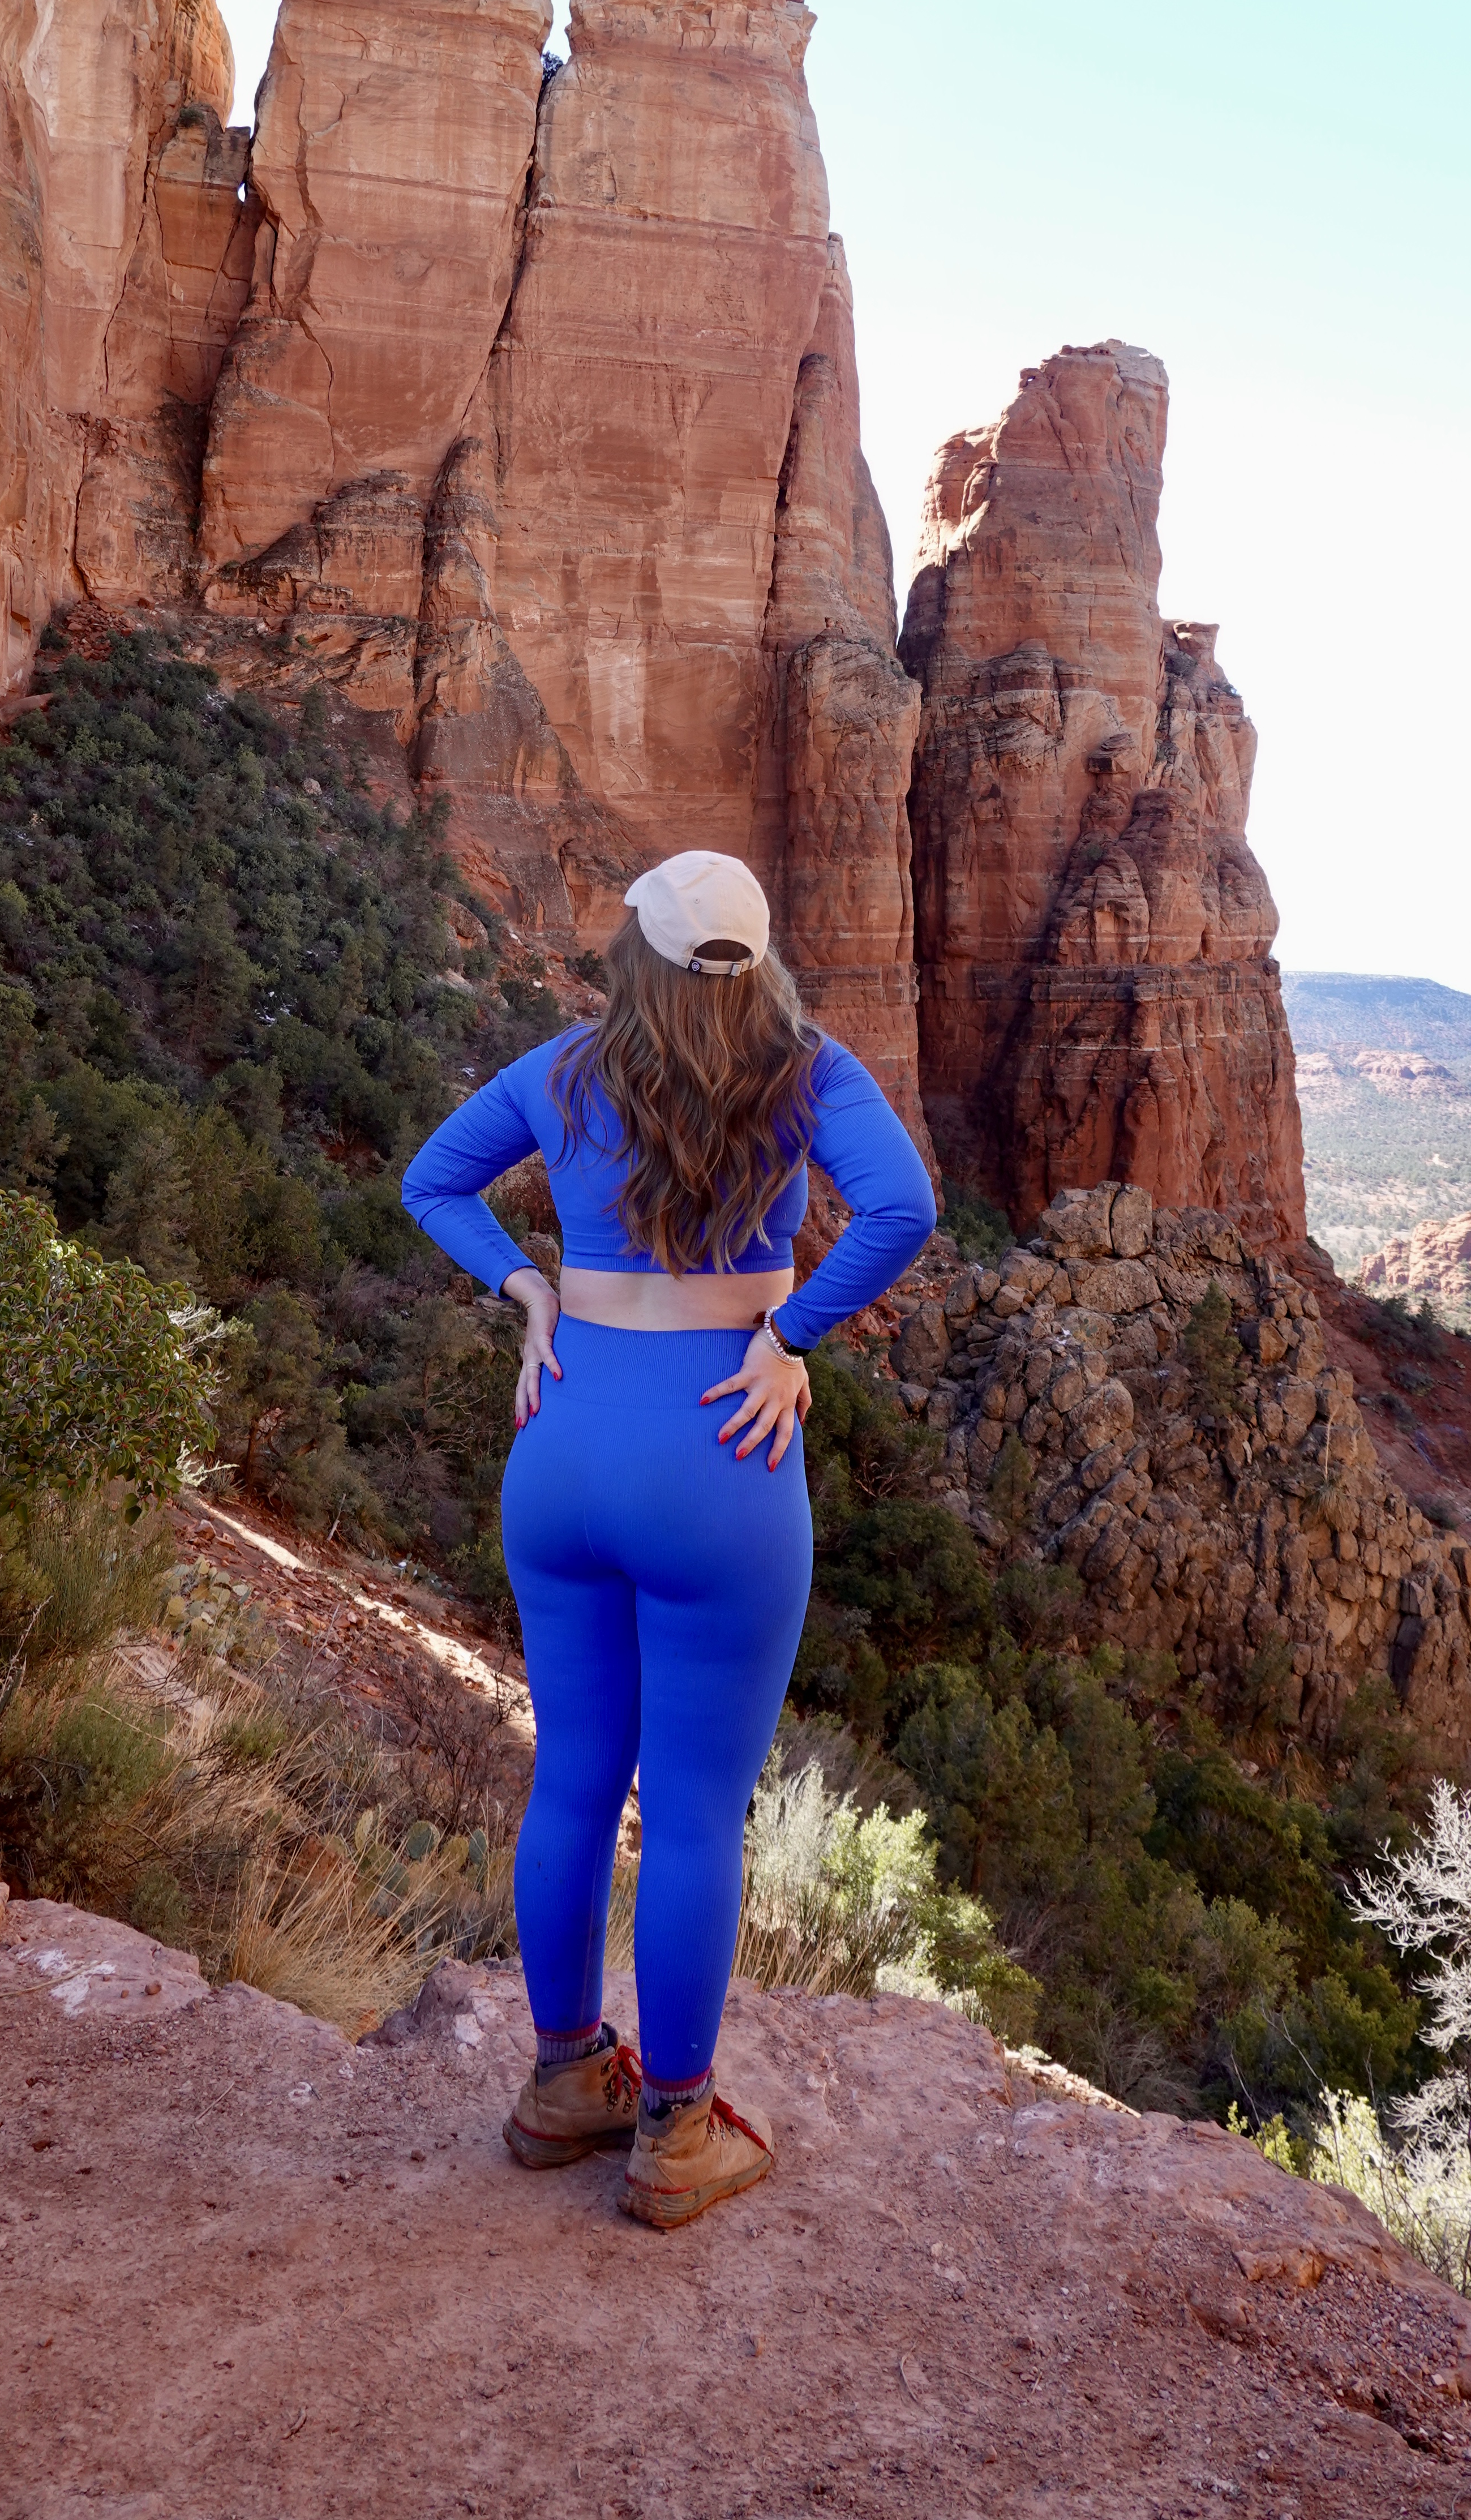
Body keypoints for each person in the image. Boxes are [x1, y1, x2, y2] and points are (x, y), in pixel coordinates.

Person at [400, 848, 936, 2229]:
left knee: (575, 1778)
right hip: (724, 1459)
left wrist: (530, 1295)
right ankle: (677, 2134)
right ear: (757, 964)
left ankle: (565, 2081)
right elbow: (904, 1209)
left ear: (634, 952)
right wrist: (790, 1335)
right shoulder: (808, 1071)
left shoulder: (564, 1071)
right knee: (694, 1809)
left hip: (564, 1446)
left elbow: (431, 1186)